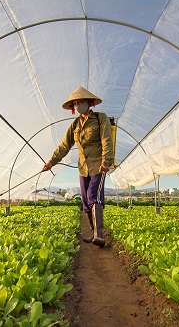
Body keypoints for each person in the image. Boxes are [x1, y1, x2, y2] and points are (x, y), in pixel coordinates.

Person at [43, 86, 113, 247]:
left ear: (89, 103)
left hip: (98, 165)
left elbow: (106, 140)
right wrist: (51, 161)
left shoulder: (100, 118)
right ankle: (92, 231)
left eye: (80, 102)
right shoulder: (75, 124)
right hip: (83, 168)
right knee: (86, 202)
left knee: (93, 197)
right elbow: (64, 146)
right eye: (74, 104)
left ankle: (99, 235)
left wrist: (106, 161)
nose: (77, 106)